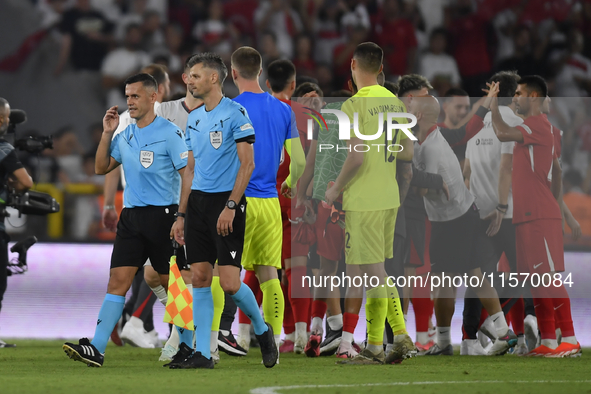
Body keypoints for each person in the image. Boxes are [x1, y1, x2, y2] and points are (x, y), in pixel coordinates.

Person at [62, 73, 188, 367]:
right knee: (117, 280)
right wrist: (107, 133)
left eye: (135, 96)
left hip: (164, 217)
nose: (129, 102)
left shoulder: (170, 133)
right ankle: (97, 347)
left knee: (174, 286)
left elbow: (188, 177)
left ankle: (188, 345)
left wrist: (181, 216)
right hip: (131, 218)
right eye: (127, 96)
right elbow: (101, 166)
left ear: (153, 96)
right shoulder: (125, 133)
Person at [170, 53, 278, 369]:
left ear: (214, 78)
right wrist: (181, 214)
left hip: (225, 203)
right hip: (199, 205)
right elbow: (189, 170)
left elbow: (249, 164)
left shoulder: (235, 113)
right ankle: (204, 353)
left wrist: (231, 205)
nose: (188, 80)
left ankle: (262, 330)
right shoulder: (194, 118)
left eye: (195, 76)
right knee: (201, 277)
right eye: (189, 76)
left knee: (229, 283)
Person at [324, 42, 414, 365]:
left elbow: (357, 156)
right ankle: (376, 344)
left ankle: (400, 335)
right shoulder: (395, 103)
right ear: (380, 68)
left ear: (352, 65)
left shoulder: (353, 106)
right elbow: (407, 153)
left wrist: (335, 191)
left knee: (372, 272)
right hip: (389, 196)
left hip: (364, 198)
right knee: (377, 272)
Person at [410, 94, 517, 357]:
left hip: (452, 221)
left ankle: (447, 341)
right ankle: (501, 331)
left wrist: (401, 169)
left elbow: (422, 189)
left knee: (448, 280)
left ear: (420, 116)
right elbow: (466, 131)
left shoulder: (429, 147)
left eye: (411, 106)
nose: (407, 107)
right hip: (460, 215)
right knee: (471, 275)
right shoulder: (432, 138)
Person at [490, 76, 581, 357]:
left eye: (518, 93)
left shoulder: (537, 125)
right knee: (536, 280)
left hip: (539, 216)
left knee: (549, 279)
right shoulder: (541, 129)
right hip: (529, 215)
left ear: (531, 96)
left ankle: (570, 337)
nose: (514, 97)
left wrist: (493, 105)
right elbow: (557, 173)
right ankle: (549, 341)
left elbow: (502, 133)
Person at [230, 47, 306, 357]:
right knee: (270, 275)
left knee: (227, 272)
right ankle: (271, 340)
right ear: (260, 72)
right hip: (271, 202)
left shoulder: (229, 109)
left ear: (233, 73)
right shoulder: (283, 109)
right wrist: (287, 182)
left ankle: (220, 341)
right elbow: (298, 163)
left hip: (238, 201)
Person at [462, 71, 524, 356]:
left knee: (477, 278)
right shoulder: (516, 124)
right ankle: (495, 325)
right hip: (509, 213)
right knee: (527, 277)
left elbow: (467, 171)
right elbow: (506, 168)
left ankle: (468, 339)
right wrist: (500, 207)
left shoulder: (475, 124)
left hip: (477, 212)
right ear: (515, 94)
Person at [0, 98, 34, 348]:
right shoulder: (3, 148)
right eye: (2, 117)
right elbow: (25, 182)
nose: (4, 122)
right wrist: (10, 187)